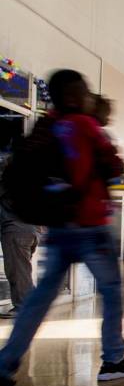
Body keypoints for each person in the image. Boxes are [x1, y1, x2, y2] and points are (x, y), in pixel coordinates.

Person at [0, 70, 124, 386]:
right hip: (90, 225)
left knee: (38, 301)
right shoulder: (83, 124)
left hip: (61, 226)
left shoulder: (48, 123)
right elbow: (114, 165)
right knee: (111, 291)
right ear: (71, 95)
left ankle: (4, 367)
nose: (87, 97)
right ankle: (112, 359)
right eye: (83, 91)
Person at [0, 119, 41, 319]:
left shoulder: (14, 173)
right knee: (22, 269)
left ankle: (25, 306)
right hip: (31, 229)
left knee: (18, 270)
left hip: (18, 229)